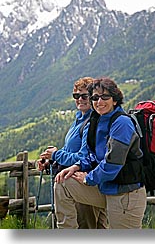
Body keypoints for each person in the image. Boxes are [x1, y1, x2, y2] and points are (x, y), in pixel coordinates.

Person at [54, 77, 147, 229]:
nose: (99, 101)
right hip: (107, 188)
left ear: (115, 100)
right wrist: (76, 167)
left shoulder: (122, 123)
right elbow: (92, 156)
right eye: (95, 98)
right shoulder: (97, 121)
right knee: (63, 183)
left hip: (126, 194)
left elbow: (112, 163)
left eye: (105, 97)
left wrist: (88, 178)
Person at [38, 77, 108, 229]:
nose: (80, 99)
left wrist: (56, 155)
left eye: (84, 96)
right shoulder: (79, 120)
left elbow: (83, 157)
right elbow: (70, 150)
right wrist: (51, 161)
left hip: (84, 183)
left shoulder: (92, 123)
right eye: (76, 96)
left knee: (87, 227)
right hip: (75, 183)